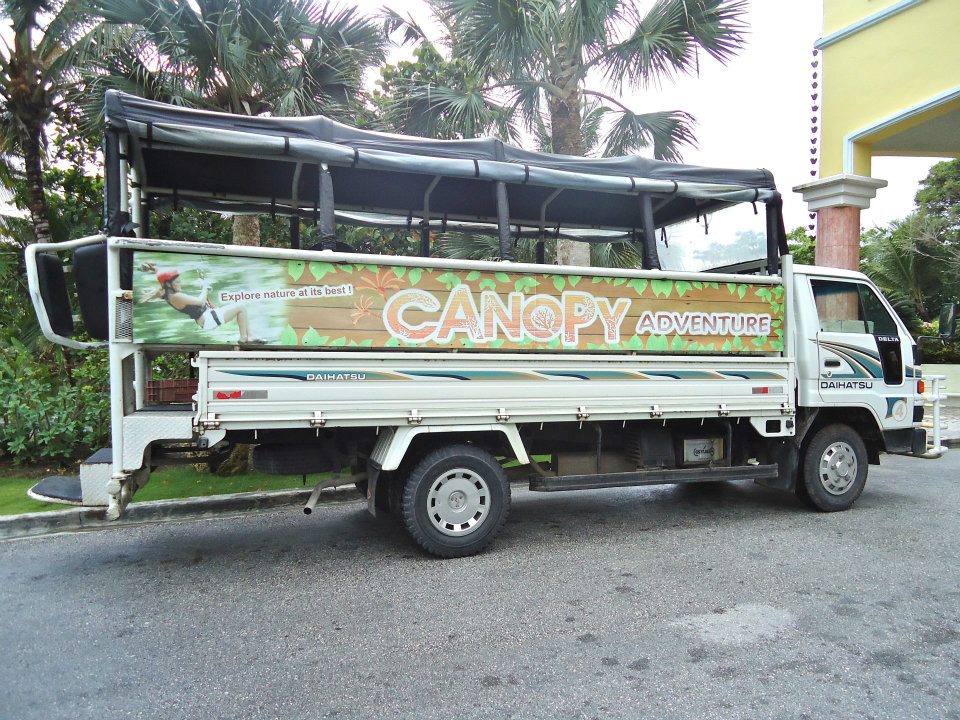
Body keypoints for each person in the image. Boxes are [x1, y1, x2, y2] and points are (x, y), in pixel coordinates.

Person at [140, 265, 264, 343]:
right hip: (207, 319)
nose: (180, 284)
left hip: (207, 316)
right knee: (241, 307)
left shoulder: (166, 293)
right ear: (168, 285)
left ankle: (249, 336)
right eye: (177, 282)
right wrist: (204, 288)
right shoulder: (176, 297)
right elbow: (200, 302)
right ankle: (244, 338)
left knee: (239, 306)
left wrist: (153, 268)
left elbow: (162, 276)